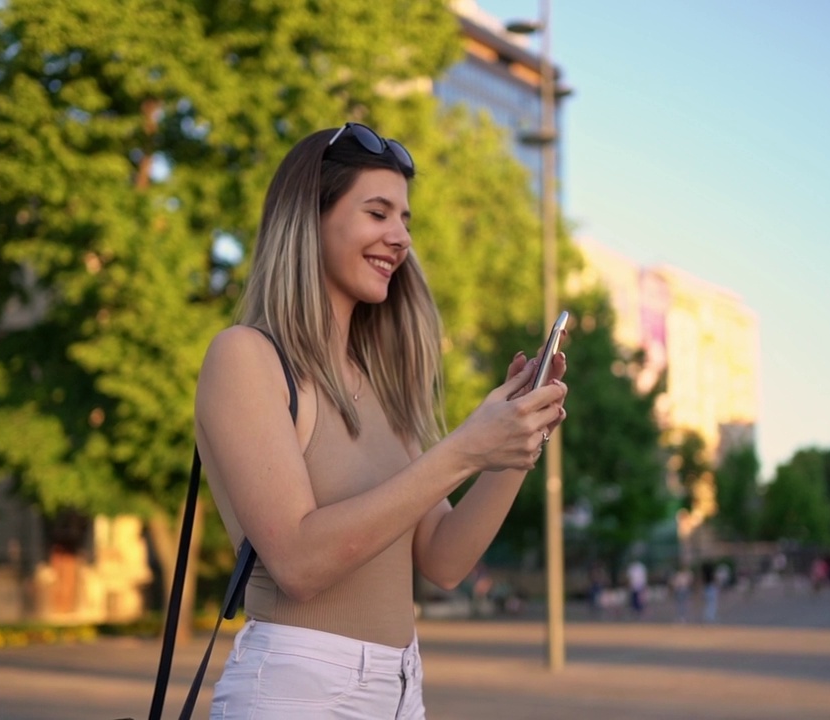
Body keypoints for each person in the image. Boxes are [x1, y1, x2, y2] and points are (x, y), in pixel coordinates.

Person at [194, 122, 569, 719]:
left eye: (405, 220)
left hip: (401, 690)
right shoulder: (246, 357)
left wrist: (515, 442)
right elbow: (297, 562)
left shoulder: (383, 383)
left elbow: (444, 560)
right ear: (309, 219)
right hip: (299, 690)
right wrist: (464, 451)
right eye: (377, 213)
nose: (400, 238)